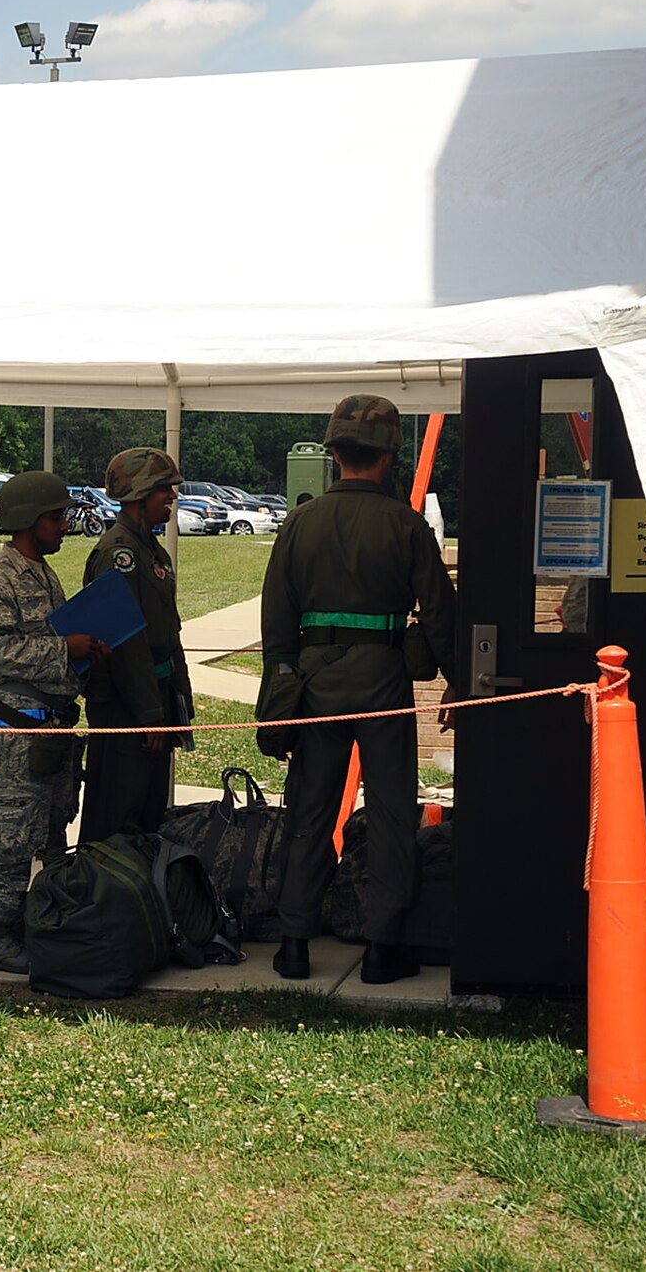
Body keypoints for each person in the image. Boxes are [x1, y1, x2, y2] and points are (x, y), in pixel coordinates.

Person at [262, 394, 458, 985]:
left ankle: (295, 943)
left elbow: (277, 617)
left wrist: (286, 681)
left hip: (317, 685)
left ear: (335, 451)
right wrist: (458, 685)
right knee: (396, 814)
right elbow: (443, 616)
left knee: (310, 811)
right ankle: (380, 948)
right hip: (383, 683)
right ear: (391, 452)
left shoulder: (300, 521)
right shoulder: (408, 524)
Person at [0, 471, 108, 974]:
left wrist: (87, 649)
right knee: (8, 835)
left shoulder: (45, 576)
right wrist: (63, 649)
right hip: (18, 730)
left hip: (54, 728)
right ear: (29, 521)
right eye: (56, 517)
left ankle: (41, 921)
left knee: (51, 831)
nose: (64, 526)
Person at [79, 447, 194, 842]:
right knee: (118, 815)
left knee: (146, 815)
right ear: (141, 494)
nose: (172, 497)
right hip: (125, 708)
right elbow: (127, 642)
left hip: (152, 696)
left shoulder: (149, 548)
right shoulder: (119, 553)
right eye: (165, 489)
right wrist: (149, 713)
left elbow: (168, 632)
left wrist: (175, 703)